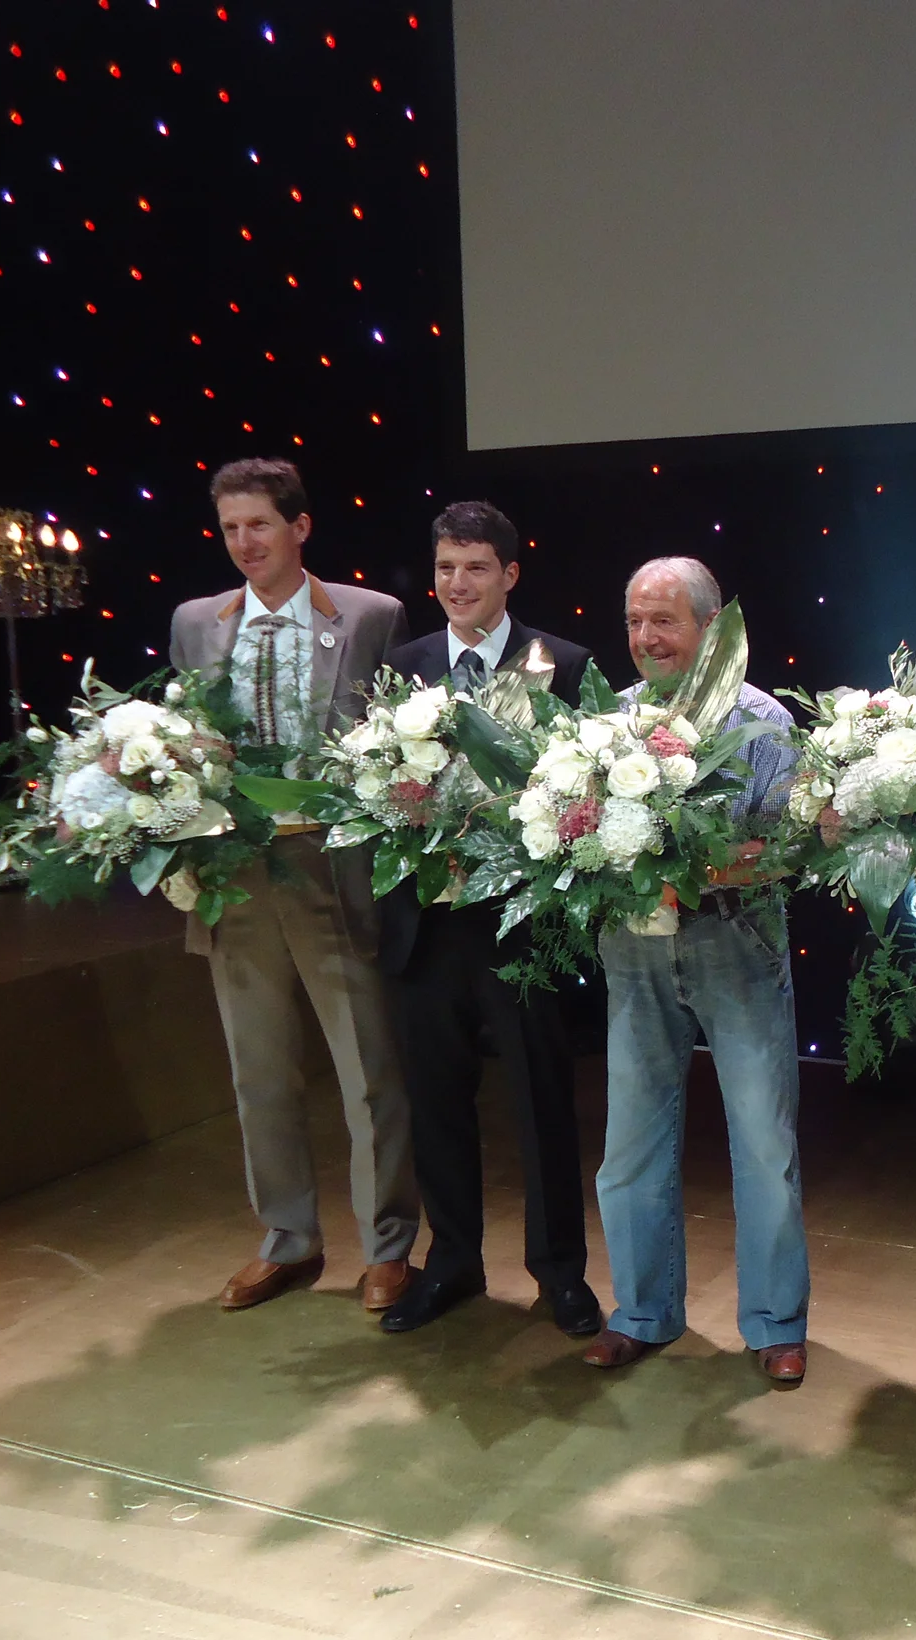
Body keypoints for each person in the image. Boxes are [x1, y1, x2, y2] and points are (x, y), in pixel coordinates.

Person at [168, 458, 419, 1314]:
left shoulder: (368, 616)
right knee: (258, 1071)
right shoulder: (198, 622)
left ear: (299, 527)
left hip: (331, 866)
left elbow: (397, 745)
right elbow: (180, 737)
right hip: (237, 872)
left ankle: (388, 1247)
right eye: (232, 527)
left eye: (260, 525)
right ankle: (287, 1239)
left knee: (369, 1072)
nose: (245, 543)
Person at [371, 502, 603, 1338]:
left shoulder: (564, 664)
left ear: (509, 574)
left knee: (542, 1106)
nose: (457, 584)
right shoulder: (403, 665)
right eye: (444, 568)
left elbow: (586, 795)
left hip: (520, 927)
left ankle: (559, 1275)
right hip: (426, 926)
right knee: (434, 1104)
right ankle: (454, 1265)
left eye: (475, 568)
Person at [578, 557, 811, 1386]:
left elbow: (789, 848)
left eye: (664, 622)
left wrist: (703, 871)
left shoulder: (763, 721)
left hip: (734, 948)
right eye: (635, 622)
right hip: (634, 953)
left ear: (711, 630)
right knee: (629, 1145)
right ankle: (642, 1313)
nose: (645, 639)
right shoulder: (610, 722)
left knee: (762, 1142)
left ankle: (776, 1323)